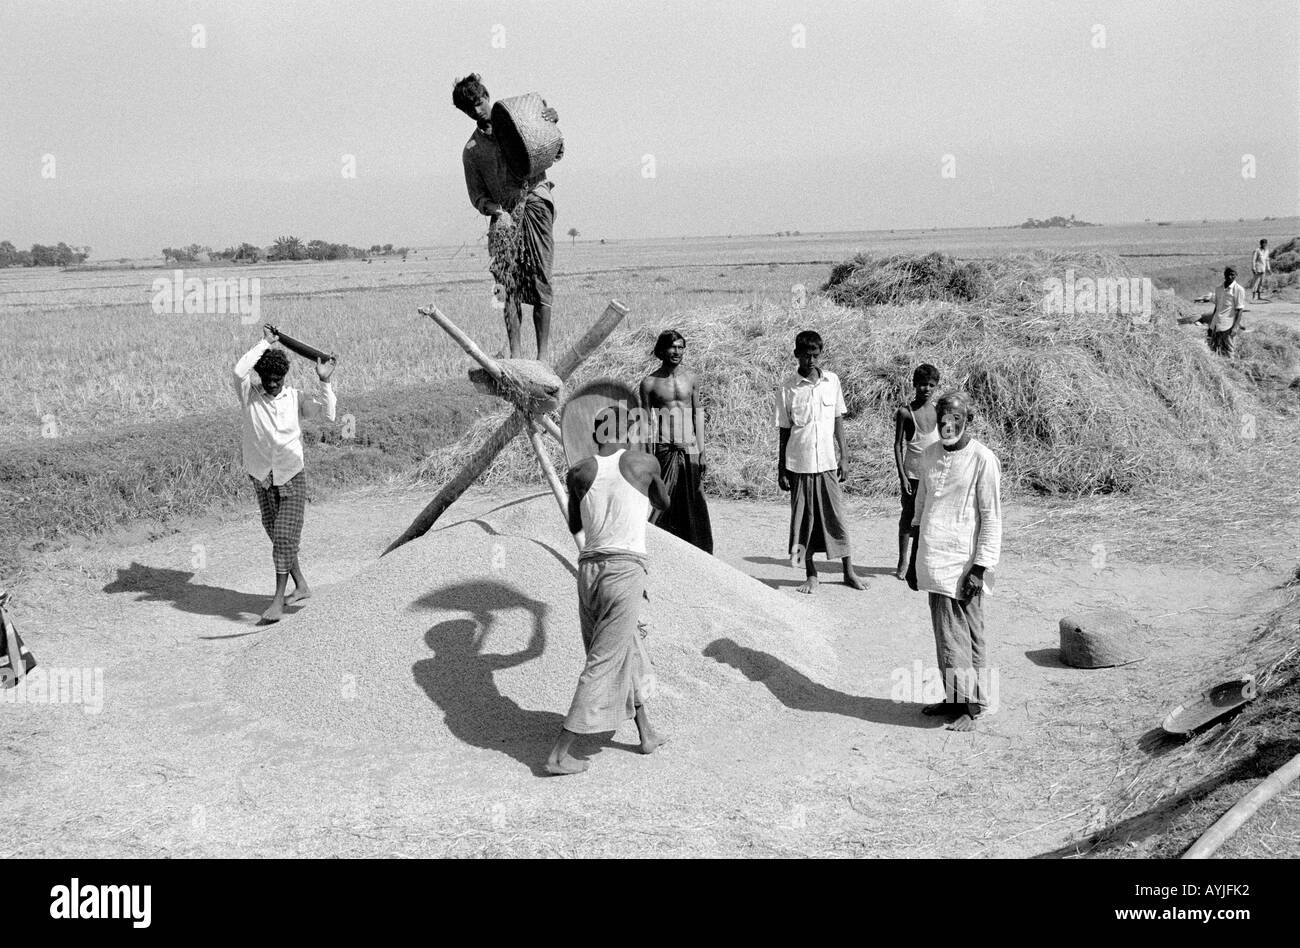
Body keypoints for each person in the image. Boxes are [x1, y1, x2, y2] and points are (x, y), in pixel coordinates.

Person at [547, 408, 671, 775]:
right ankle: (559, 753)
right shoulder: (644, 463)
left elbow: (574, 522)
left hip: (588, 569)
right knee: (603, 660)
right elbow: (664, 503)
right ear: (629, 430)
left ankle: (645, 732)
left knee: (624, 647)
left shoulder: (579, 472)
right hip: (625, 569)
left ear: (596, 433)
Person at [908, 392, 1002, 732]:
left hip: (964, 564)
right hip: (933, 559)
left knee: (963, 634)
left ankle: (972, 707)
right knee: (945, 635)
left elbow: (992, 518)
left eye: (955, 421)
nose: (947, 426)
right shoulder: (929, 455)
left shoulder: (982, 459)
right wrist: (912, 562)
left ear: (968, 422)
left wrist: (980, 567)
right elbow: (920, 508)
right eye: (943, 420)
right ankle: (954, 698)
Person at [232, 326, 337, 623]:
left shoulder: (295, 397)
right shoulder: (249, 394)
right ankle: (301, 586)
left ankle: (278, 601)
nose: (274, 385)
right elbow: (239, 370)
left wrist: (324, 382)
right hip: (262, 476)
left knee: (283, 536)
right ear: (260, 378)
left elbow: (329, 414)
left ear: (285, 378)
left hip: (291, 475)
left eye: (278, 380)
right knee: (277, 535)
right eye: (268, 380)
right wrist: (265, 343)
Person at [453, 72, 559, 362]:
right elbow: (477, 197)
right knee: (504, 283)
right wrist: (497, 212)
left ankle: (543, 357)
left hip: (535, 200)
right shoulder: (471, 151)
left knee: (540, 278)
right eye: (470, 108)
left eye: (479, 102)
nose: (477, 110)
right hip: (503, 216)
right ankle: (515, 354)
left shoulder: (519, 121)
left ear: (487, 96)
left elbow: (556, 149)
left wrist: (550, 120)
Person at [776, 330, 865, 594]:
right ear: (796, 355)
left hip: (827, 462)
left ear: (820, 354)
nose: (811, 361)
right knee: (804, 521)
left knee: (836, 517)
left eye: (815, 355)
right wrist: (781, 468)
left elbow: (838, 421)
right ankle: (811, 574)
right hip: (799, 464)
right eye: (805, 356)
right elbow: (783, 430)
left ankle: (849, 571)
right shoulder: (788, 387)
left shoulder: (832, 381)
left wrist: (845, 456)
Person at [639, 329, 714, 554]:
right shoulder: (649, 383)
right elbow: (645, 422)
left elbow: (697, 414)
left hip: (689, 448)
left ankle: (698, 552)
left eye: (681, 347)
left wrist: (702, 451)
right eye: (672, 347)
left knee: (694, 501)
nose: (677, 351)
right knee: (663, 501)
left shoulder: (691, 379)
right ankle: (658, 550)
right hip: (663, 449)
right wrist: (647, 455)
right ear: (661, 350)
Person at [893, 364, 940, 581]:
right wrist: (902, 476)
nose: (926, 389)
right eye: (922, 384)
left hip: (934, 474)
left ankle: (919, 560)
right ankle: (903, 561)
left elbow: (948, 437)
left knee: (929, 518)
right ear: (914, 385)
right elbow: (897, 445)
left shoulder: (939, 411)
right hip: (912, 474)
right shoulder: (906, 412)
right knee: (908, 517)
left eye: (931, 385)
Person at [1205, 267, 1247, 356]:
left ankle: (1232, 366)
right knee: (1215, 348)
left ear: (1236, 275)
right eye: (1228, 274)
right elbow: (1216, 308)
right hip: (1217, 323)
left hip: (1228, 325)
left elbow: (1239, 310)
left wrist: (1235, 327)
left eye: (1232, 274)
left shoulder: (1239, 290)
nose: (1229, 276)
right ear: (1224, 275)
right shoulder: (1218, 289)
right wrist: (1211, 325)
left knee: (1229, 350)